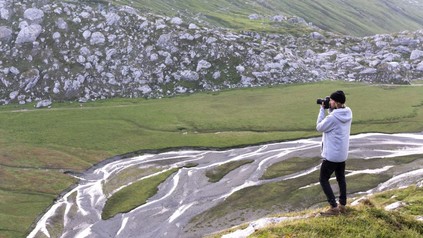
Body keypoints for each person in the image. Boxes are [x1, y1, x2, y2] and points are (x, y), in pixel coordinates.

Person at [316, 90, 353, 216]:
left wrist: (322, 109)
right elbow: (337, 116)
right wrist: (331, 109)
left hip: (331, 156)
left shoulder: (332, 118)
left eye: (331, 100)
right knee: (341, 178)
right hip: (342, 154)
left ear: (336, 102)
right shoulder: (348, 112)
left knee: (323, 179)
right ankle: (342, 205)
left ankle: (333, 207)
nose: (328, 102)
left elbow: (320, 127)